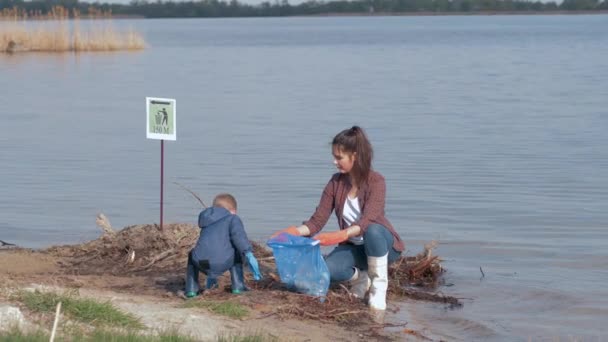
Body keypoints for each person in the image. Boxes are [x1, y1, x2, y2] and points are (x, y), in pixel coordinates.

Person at [271, 126, 405, 312]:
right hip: (355, 249)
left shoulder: (376, 181)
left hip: (382, 246)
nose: (335, 162)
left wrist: (339, 235)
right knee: (326, 271)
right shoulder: (335, 183)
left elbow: (367, 221)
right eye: (334, 156)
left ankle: (378, 288)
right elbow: (316, 222)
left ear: (355, 156)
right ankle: (361, 277)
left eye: (339, 157)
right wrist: (291, 232)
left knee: (373, 230)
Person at [185, 193, 262, 298]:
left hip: (201, 263)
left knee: (192, 255)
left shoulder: (206, 219)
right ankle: (238, 287)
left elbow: (211, 245)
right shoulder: (233, 219)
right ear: (233, 211)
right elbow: (239, 238)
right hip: (221, 262)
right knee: (236, 253)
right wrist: (248, 253)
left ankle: (191, 289)